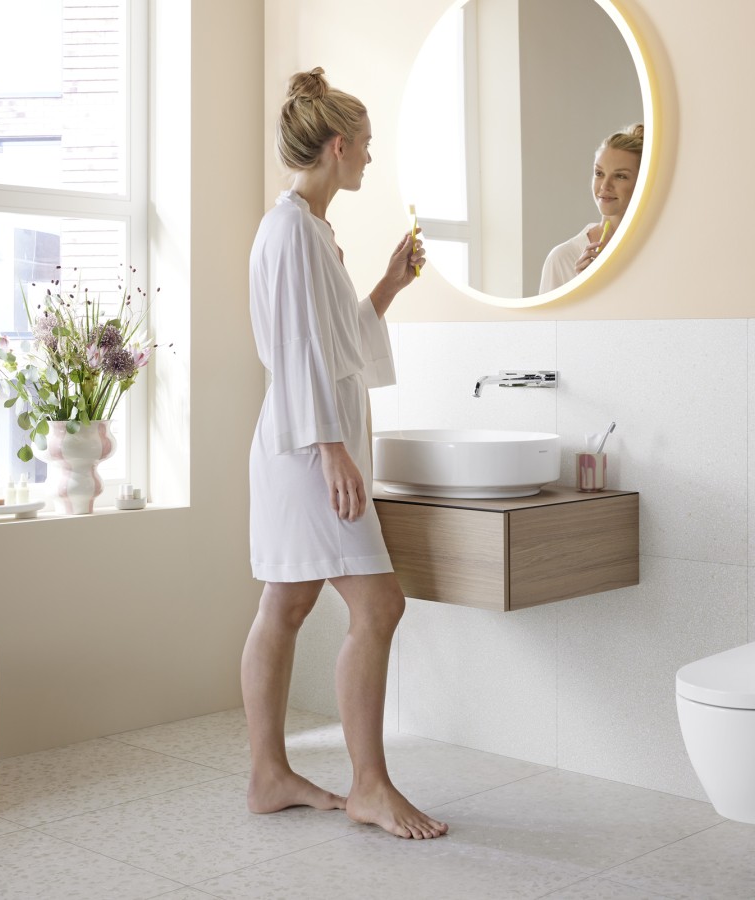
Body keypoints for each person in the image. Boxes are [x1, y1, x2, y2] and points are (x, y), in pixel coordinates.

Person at [243, 67, 446, 840]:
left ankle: (269, 775)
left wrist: (388, 285)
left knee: (286, 602)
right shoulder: (293, 230)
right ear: (337, 145)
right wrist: (332, 450)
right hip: (306, 447)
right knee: (380, 604)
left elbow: (331, 340)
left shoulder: (309, 229)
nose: (369, 157)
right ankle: (368, 785)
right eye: (364, 146)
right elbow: (298, 352)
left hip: (300, 440)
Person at [538, 123, 645, 294]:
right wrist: (583, 290)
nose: (605, 186)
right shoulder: (563, 258)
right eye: (599, 173)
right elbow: (550, 321)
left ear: (642, 182)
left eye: (620, 176)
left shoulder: (655, 250)